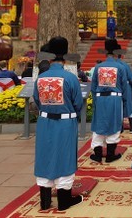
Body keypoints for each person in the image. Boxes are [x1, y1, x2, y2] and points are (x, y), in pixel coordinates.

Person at [33, 37, 84, 211]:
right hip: (65, 123)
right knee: (65, 155)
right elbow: (78, 103)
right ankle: (64, 201)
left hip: (45, 121)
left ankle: (45, 201)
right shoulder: (70, 78)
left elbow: (37, 100)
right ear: (65, 56)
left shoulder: (41, 78)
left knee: (44, 155)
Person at [89, 39, 132, 164]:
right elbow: (124, 87)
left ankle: (97, 155)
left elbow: (93, 86)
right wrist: (124, 103)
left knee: (99, 124)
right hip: (115, 99)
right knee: (114, 124)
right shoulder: (120, 67)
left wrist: (96, 100)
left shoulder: (98, 67)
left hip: (100, 98)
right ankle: (110, 155)